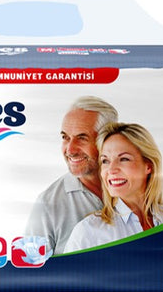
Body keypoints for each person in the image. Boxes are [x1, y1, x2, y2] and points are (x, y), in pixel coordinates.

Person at [64, 122, 163, 253]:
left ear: (148, 166)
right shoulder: (88, 232)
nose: (111, 170)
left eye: (124, 159)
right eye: (105, 161)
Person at [24, 96, 118, 255]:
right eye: (65, 138)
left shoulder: (140, 189)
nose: (70, 150)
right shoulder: (48, 204)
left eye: (82, 138)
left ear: (108, 140)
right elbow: (29, 265)